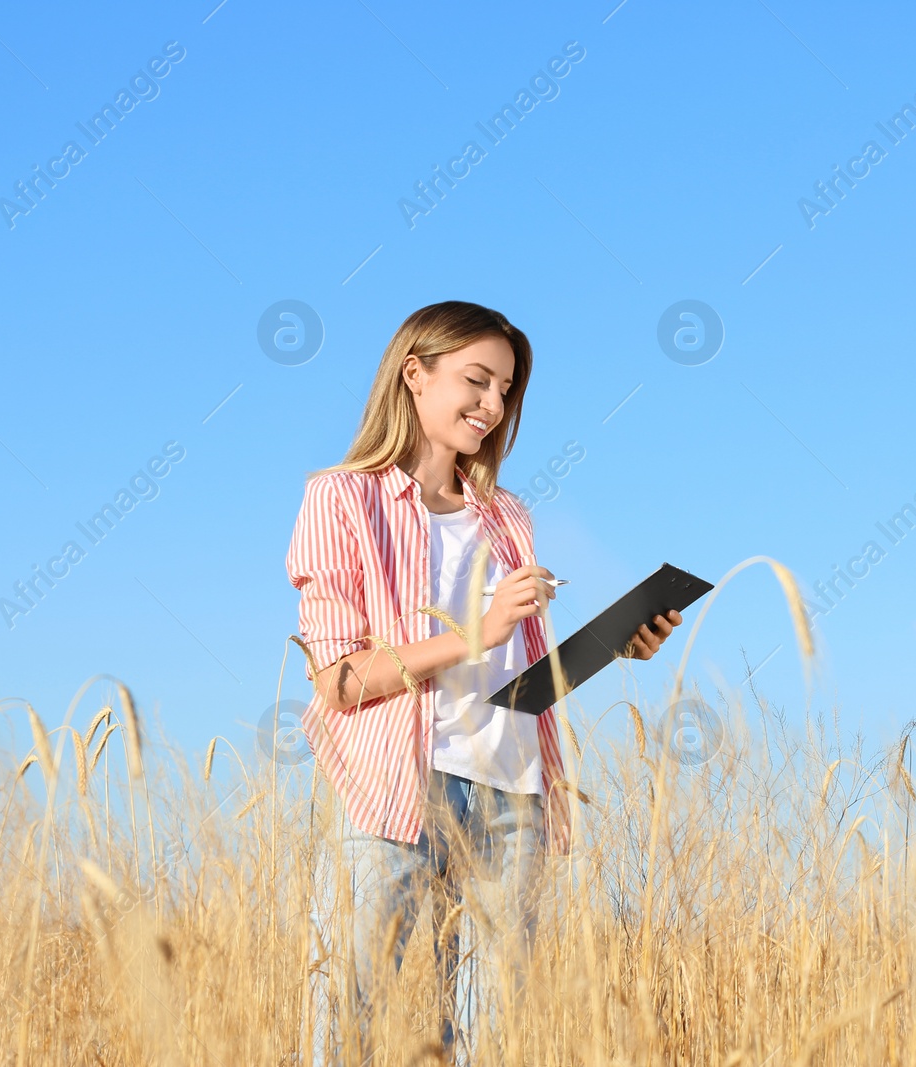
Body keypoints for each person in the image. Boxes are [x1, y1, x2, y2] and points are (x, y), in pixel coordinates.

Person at [285, 300, 681, 1062]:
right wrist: (476, 631)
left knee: (492, 1043)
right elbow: (337, 679)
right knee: (350, 1029)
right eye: (477, 380)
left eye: (506, 389)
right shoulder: (342, 498)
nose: (493, 405)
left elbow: (518, 684)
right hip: (396, 795)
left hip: (514, 797)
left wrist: (613, 649)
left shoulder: (506, 516)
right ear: (414, 373)